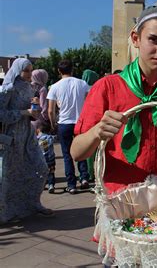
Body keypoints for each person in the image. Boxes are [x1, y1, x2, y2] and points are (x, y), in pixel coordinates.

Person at [70, 5, 157, 196]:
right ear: (136, 38)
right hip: (119, 201)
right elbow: (77, 153)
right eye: (154, 40)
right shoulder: (108, 87)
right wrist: (97, 131)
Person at [0, 58, 53, 222]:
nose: (30, 73)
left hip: (28, 135)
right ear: (18, 70)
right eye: (27, 70)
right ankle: (5, 211)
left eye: (31, 70)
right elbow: (2, 114)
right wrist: (25, 112)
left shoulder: (29, 88)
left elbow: (31, 113)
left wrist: (34, 111)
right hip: (12, 137)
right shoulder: (8, 89)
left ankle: (33, 202)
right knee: (8, 175)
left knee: (40, 168)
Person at [47, 60, 90, 194]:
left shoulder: (54, 86)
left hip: (64, 123)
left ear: (59, 71)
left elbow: (50, 110)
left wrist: (53, 123)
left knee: (67, 154)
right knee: (82, 151)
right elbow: (89, 101)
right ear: (72, 69)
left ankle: (71, 184)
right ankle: (84, 177)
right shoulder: (82, 83)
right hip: (80, 122)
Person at [82, 68, 100, 182]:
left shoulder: (81, 88)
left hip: (86, 121)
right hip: (98, 120)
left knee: (88, 151)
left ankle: (89, 174)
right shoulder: (97, 88)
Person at [37, 121, 56, 193]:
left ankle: (43, 184)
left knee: (42, 173)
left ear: (39, 130)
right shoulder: (50, 137)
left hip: (41, 159)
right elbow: (56, 137)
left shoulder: (37, 138)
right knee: (51, 172)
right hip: (51, 159)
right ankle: (51, 185)